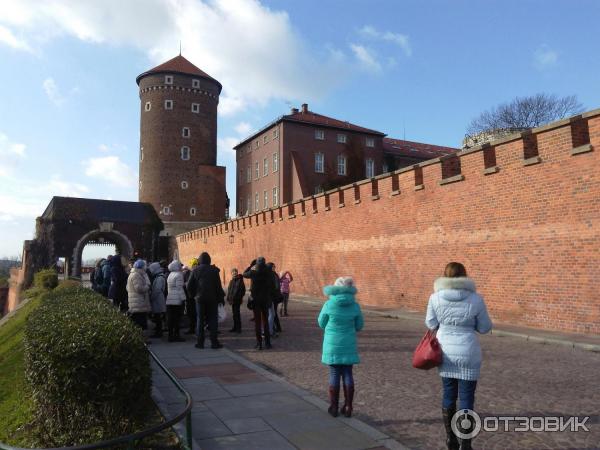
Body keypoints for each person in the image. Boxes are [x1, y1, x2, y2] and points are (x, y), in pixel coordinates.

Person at [425, 262, 492, 450]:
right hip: (468, 351)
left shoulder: (435, 298)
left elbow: (430, 323)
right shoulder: (476, 299)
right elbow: (485, 327)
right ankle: (466, 443)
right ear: (465, 276)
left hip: (445, 351)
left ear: (444, 276)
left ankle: (450, 439)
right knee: (467, 397)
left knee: (448, 394)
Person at [318, 276, 363, 418]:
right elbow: (359, 325)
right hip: (348, 344)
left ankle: (334, 406)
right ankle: (349, 406)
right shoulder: (355, 305)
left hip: (332, 345)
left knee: (334, 374)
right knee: (348, 374)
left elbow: (321, 323)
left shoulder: (329, 304)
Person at [186, 252, 224, 349]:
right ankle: (214, 342)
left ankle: (200, 343)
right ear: (209, 260)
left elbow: (189, 285)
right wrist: (220, 298)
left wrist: (193, 295)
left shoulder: (195, 270)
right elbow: (218, 286)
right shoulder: (214, 270)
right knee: (213, 320)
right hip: (212, 298)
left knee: (200, 320)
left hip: (199, 298)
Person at [243, 257, 274, 350]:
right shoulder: (269, 273)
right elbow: (272, 285)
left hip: (256, 300)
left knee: (257, 322)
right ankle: (268, 343)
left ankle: (259, 343)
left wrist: (250, 266)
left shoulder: (253, 272)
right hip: (265, 300)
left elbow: (244, 274)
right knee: (266, 322)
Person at [126, 259, 151, 330]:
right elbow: (139, 288)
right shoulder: (136, 275)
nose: (146, 267)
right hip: (138, 303)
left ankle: (142, 338)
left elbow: (127, 287)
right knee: (141, 322)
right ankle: (143, 339)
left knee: (138, 321)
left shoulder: (134, 274)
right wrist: (147, 286)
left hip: (136, 302)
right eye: (145, 266)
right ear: (141, 267)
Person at [166, 260, 186, 342]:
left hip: (170, 298)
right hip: (177, 299)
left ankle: (170, 335)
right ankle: (177, 335)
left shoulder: (170, 275)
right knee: (177, 318)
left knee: (171, 318)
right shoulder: (179, 275)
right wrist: (183, 298)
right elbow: (179, 288)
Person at [148, 262, 167, 338]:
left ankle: (158, 333)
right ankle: (158, 331)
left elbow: (157, 290)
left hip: (158, 299)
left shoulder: (159, 277)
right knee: (157, 316)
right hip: (158, 299)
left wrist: (151, 297)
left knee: (158, 316)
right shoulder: (159, 276)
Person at [226, 268, 246, 333]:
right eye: (233, 272)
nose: (234, 273)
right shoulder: (231, 281)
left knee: (237, 314)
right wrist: (228, 298)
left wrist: (239, 298)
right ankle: (235, 327)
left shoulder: (240, 280)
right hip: (232, 300)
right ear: (231, 273)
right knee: (234, 314)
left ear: (237, 273)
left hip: (237, 300)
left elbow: (242, 291)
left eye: (235, 272)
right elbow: (229, 290)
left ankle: (238, 328)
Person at [267, 262, 282, 335]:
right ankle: (276, 327)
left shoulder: (273, 275)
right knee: (273, 313)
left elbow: (276, 286)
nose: (274, 268)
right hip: (273, 297)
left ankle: (275, 328)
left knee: (273, 313)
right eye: (273, 266)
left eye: (274, 266)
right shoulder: (272, 275)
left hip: (274, 297)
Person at [184, 258, 198, 334]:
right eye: (194, 265)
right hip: (189, 297)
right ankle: (192, 328)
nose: (195, 266)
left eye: (196, 265)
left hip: (195, 296)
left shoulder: (198, 272)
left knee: (196, 313)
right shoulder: (187, 273)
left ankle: (195, 328)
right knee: (191, 313)